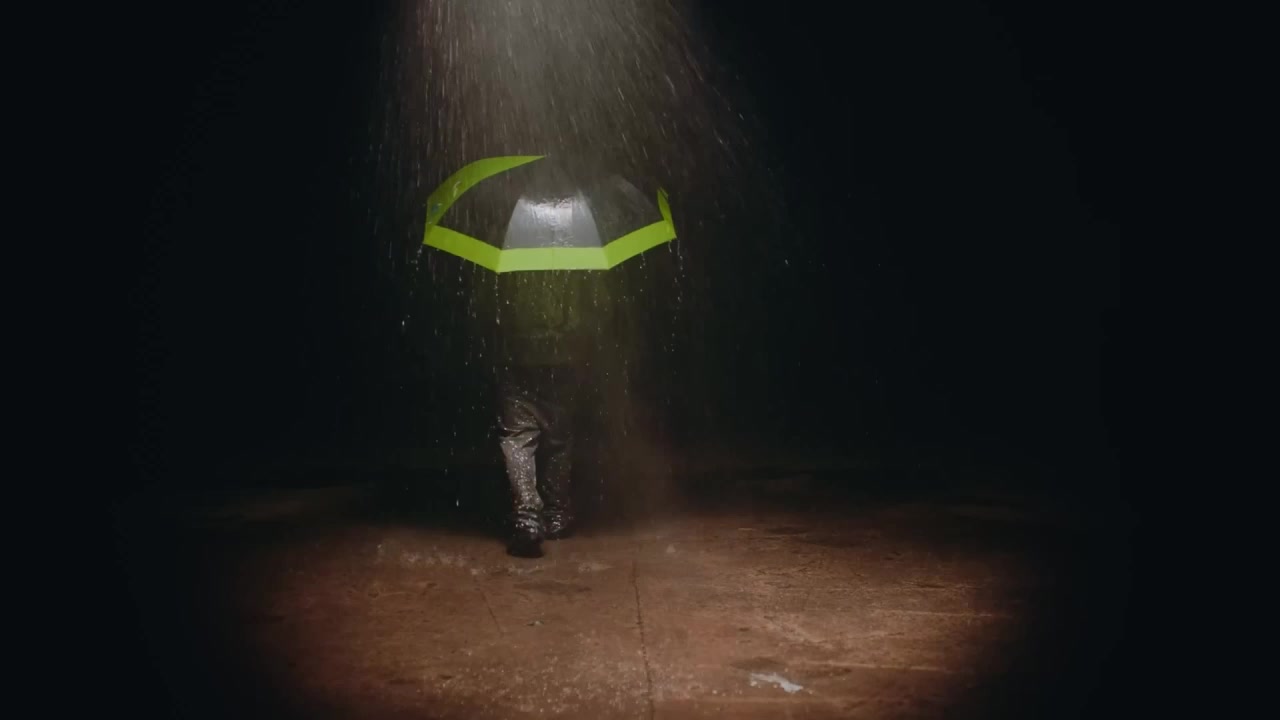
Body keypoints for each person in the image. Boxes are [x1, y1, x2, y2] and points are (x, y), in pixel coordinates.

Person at [493, 272, 591, 557]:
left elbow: (492, 312)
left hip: (518, 359)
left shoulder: (507, 264)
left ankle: (527, 518)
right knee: (559, 439)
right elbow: (595, 312)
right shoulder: (576, 259)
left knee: (517, 439)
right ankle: (556, 515)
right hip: (562, 362)